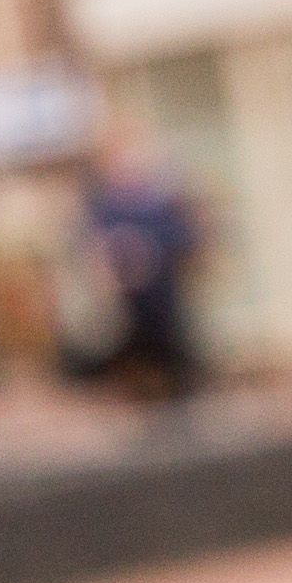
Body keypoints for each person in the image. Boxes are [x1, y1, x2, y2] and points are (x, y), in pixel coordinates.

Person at [84, 132, 205, 407]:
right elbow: (93, 251)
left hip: (164, 301)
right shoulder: (103, 208)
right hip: (126, 308)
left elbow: (186, 244)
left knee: (173, 356)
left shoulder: (163, 205)